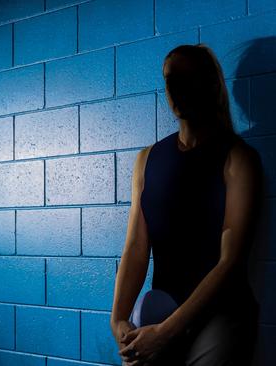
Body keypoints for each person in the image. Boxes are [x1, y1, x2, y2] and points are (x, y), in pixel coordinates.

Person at [109, 43, 265, 365]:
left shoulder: (239, 159)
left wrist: (166, 332)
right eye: (170, 80)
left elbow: (230, 262)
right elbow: (136, 248)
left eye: (188, 78)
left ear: (209, 84)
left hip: (221, 313)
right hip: (161, 306)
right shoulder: (147, 160)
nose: (176, 88)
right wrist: (118, 319)